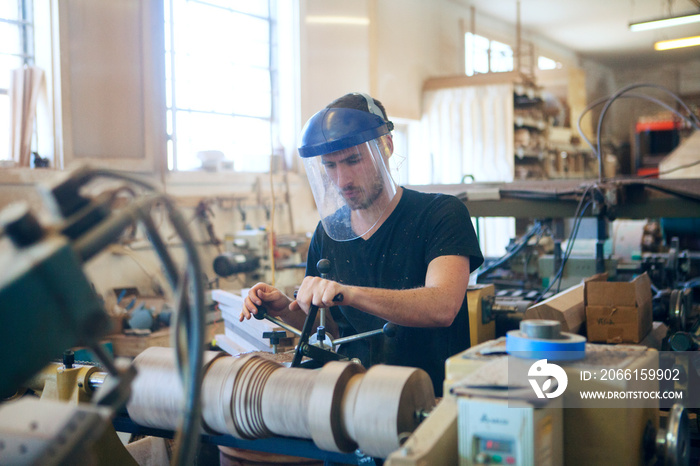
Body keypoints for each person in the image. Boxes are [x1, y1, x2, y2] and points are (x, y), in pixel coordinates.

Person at [240, 93, 483, 395]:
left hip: (431, 397)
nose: (342, 180)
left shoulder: (441, 214)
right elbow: (330, 329)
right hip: (355, 400)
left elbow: (442, 307)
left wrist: (350, 293)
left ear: (387, 146)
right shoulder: (328, 233)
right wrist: (285, 310)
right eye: (330, 166)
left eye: (353, 160)